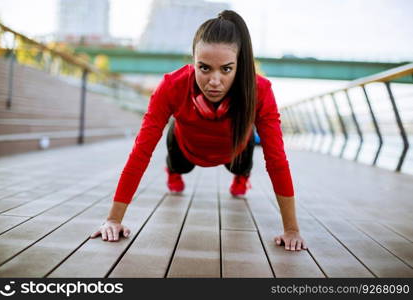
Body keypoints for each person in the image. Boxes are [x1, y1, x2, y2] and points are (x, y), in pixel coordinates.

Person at [91, 10, 307, 251]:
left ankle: (241, 177)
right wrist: (113, 219)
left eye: (226, 69)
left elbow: (276, 159)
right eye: (204, 68)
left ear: (239, 65)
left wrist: (292, 230)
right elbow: (141, 152)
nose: (214, 81)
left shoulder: (260, 90)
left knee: (242, 159)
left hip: (234, 149)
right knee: (179, 164)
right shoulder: (172, 86)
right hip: (186, 147)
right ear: (193, 60)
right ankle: (173, 170)